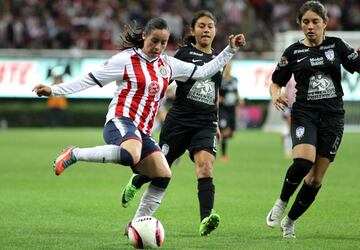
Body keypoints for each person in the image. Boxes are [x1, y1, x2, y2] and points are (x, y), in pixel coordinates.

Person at [32, 17, 246, 228]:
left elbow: (204, 72)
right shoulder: (125, 60)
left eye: (163, 42)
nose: (158, 47)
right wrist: (53, 90)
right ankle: (74, 154)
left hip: (142, 132)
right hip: (120, 120)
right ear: (144, 36)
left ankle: (136, 225)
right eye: (154, 40)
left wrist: (230, 50)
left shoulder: (168, 64)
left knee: (163, 174)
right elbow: (89, 79)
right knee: (130, 154)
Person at [121, 11, 229, 236]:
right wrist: (154, 111)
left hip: (205, 123)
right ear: (193, 30)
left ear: (215, 31)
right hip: (179, 122)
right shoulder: (183, 54)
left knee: (205, 166)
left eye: (210, 26)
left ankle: (206, 218)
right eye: (202, 26)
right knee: (161, 168)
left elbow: (214, 92)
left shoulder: (219, 59)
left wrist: (216, 121)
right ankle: (137, 180)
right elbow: (160, 82)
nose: (206, 29)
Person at [266, 1, 360, 238]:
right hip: (305, 113)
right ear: (300, 24)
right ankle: (281, 202)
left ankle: (290, 221)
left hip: (333, 117)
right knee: (303, 162)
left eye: (315, 21)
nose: (310, 26)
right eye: (305, 22)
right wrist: (276, 95)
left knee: (315, 180)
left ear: (325, 23)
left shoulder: (337, 46)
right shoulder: (293, 52)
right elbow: (276, 80)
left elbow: (357, 66)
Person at [218, 61, 243, 161]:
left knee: (231, 133)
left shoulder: (234, 80)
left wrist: (239, 99)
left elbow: (236, 91)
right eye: (227, 66)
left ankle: (216, 139)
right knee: (225, 131)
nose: (228, 68)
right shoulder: (221, 80)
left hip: (232, 108)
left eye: (230, 66)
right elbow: (217, 91)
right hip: (223, 108)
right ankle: (223, 155)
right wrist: (218, 98)